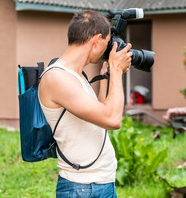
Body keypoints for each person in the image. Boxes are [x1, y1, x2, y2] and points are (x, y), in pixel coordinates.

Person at [39, 10, 132, 197]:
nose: (107, 49)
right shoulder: (57, 78)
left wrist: (106, 75)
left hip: (101, 183)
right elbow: (112, 120)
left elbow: (98, 113)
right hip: (82, 188)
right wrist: (115, 70)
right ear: (97, 40)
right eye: (106, 43)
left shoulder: (76, 75)